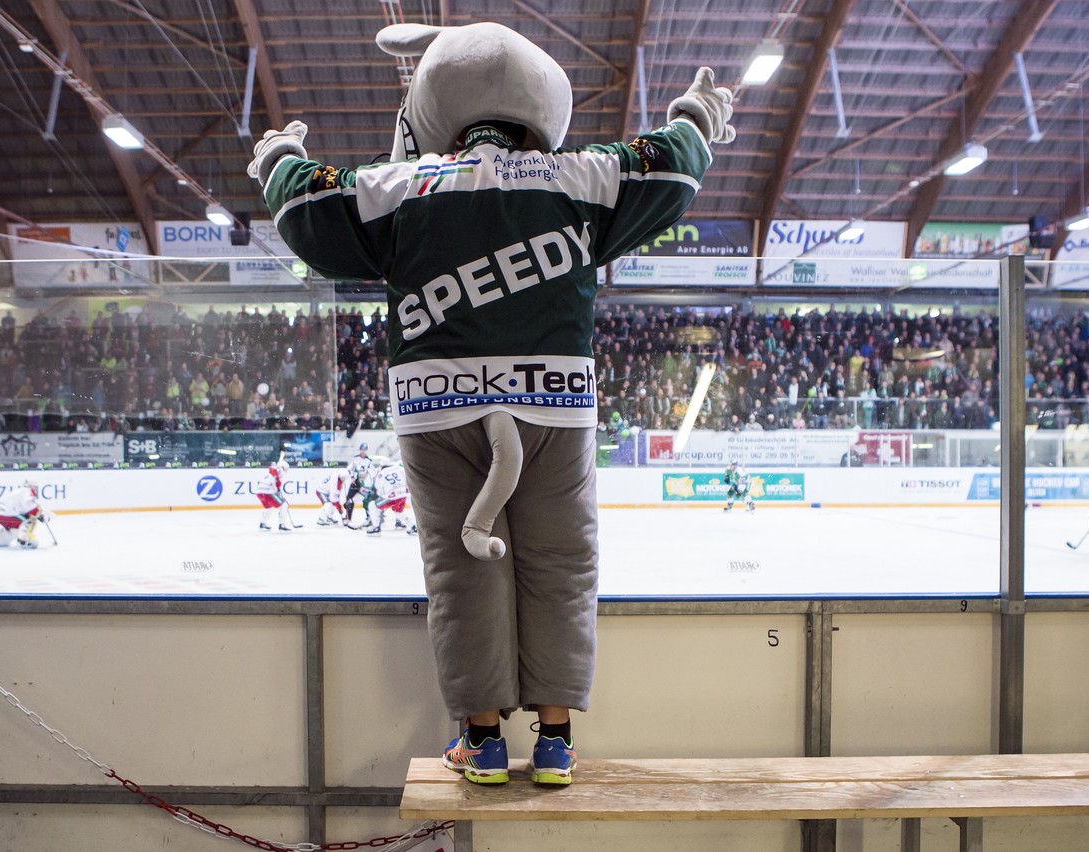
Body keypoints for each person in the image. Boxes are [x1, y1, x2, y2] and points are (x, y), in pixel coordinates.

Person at [249, 21, 730, 786]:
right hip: (554, 405)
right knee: (563, 564)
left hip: (438, 408)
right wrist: (696, 118)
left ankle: (482, 741)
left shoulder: (400, 186)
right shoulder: (581, 176)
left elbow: (308, 206)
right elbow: (669, 170)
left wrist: (280, 158)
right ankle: (556, 741)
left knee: (459, 569)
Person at [0, 480, 52, 549]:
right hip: (5, 512)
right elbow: (29, 506)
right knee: (29, 520)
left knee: (14, 527)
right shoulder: (27, 491)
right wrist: (39, 514)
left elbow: (23, 508)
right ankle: (24, 541)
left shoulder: (19, 492)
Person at [364, 459, 417, 536]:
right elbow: (407, 478)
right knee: (398, 511)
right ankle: (412, 527)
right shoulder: (399, 468)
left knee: (372, 505)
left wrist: (382, 497)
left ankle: (376, 528)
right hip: (403, 495)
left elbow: (379, 490)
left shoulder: (380, 473)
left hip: (391, 496)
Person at [256, 459, 300, 532]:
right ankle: (282, 525)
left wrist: (277, 486)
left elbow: (276, 482)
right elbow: (273, 471)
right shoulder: (279, 470)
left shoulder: (274, 471)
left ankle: (262, 524)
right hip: (268, 492)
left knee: (270, 506)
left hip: (260, 492)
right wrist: (277, 479)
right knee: (284, 504)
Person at [342, 443, 374, 528]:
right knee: (349, 499)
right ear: (360, 450)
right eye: (362, 449)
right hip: (355, 482)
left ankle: (369, 517)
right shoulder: (355, 459)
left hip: (364, 484)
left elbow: (371, 472)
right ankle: (348, 518)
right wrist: (352, 477)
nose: (363, 451)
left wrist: (368, 480)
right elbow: (350, 468)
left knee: (366, 500)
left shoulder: (369, 461)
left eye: (364, 450)